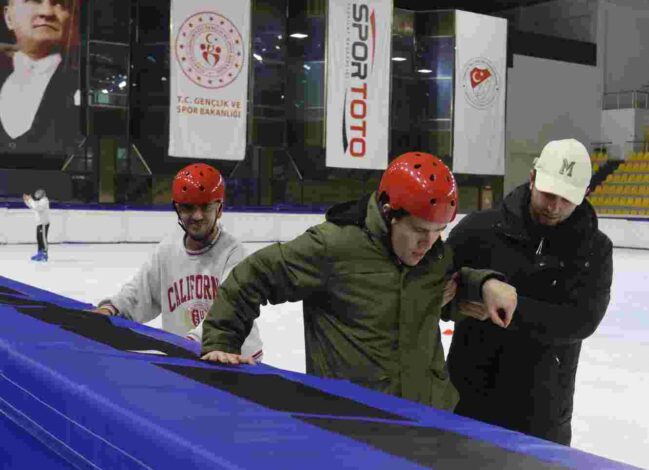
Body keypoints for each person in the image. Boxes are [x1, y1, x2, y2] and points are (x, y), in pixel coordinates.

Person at [199, 152, 518, 411]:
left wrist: (484, 284)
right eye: (420, 231)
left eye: (439, 233)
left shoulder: (432, 254)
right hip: (356, 423)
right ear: (390, 211)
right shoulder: (332, 247)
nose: (430, 243)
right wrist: (222, 341)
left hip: (429, 420)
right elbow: (253, 276)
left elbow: (444, 288)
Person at [446, 138, 614, 445]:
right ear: (533, 177)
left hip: (544, 413)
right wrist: (475, 287)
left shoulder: (595, 250)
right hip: (468, 400)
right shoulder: (478, 231)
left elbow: (581, 320)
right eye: (549, 194)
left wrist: (511, 306)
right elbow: (435, 288)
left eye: (567, 199)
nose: (555, 206)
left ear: (586, 194)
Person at [93, 163, 263, 361]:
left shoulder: (234, 253)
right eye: (188, 207)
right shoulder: (167, 251)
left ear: (220, 208)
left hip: (236, 360)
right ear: (177, 209)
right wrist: (111, 309)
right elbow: (139, 293)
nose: (197, 216)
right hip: (187, 356)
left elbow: (229, 311)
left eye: (206, 206)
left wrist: (191, 342)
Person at [0, 0, 80, 159]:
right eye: (33, 1)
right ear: (8, 17)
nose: (47, 12)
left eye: (60, 4)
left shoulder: (82, 84)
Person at [22, 187, 49, 261]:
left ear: (42, 194)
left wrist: (30, 199)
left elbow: (37, 207)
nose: (36, 194)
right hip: (39, 223)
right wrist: (26, 200)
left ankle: (44, 254)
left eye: (38, 193)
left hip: (43, 223)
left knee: (43, 239)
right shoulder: (40, 201)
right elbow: (32, 206)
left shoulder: (44, 200)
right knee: (39, 239)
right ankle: (40, 253)